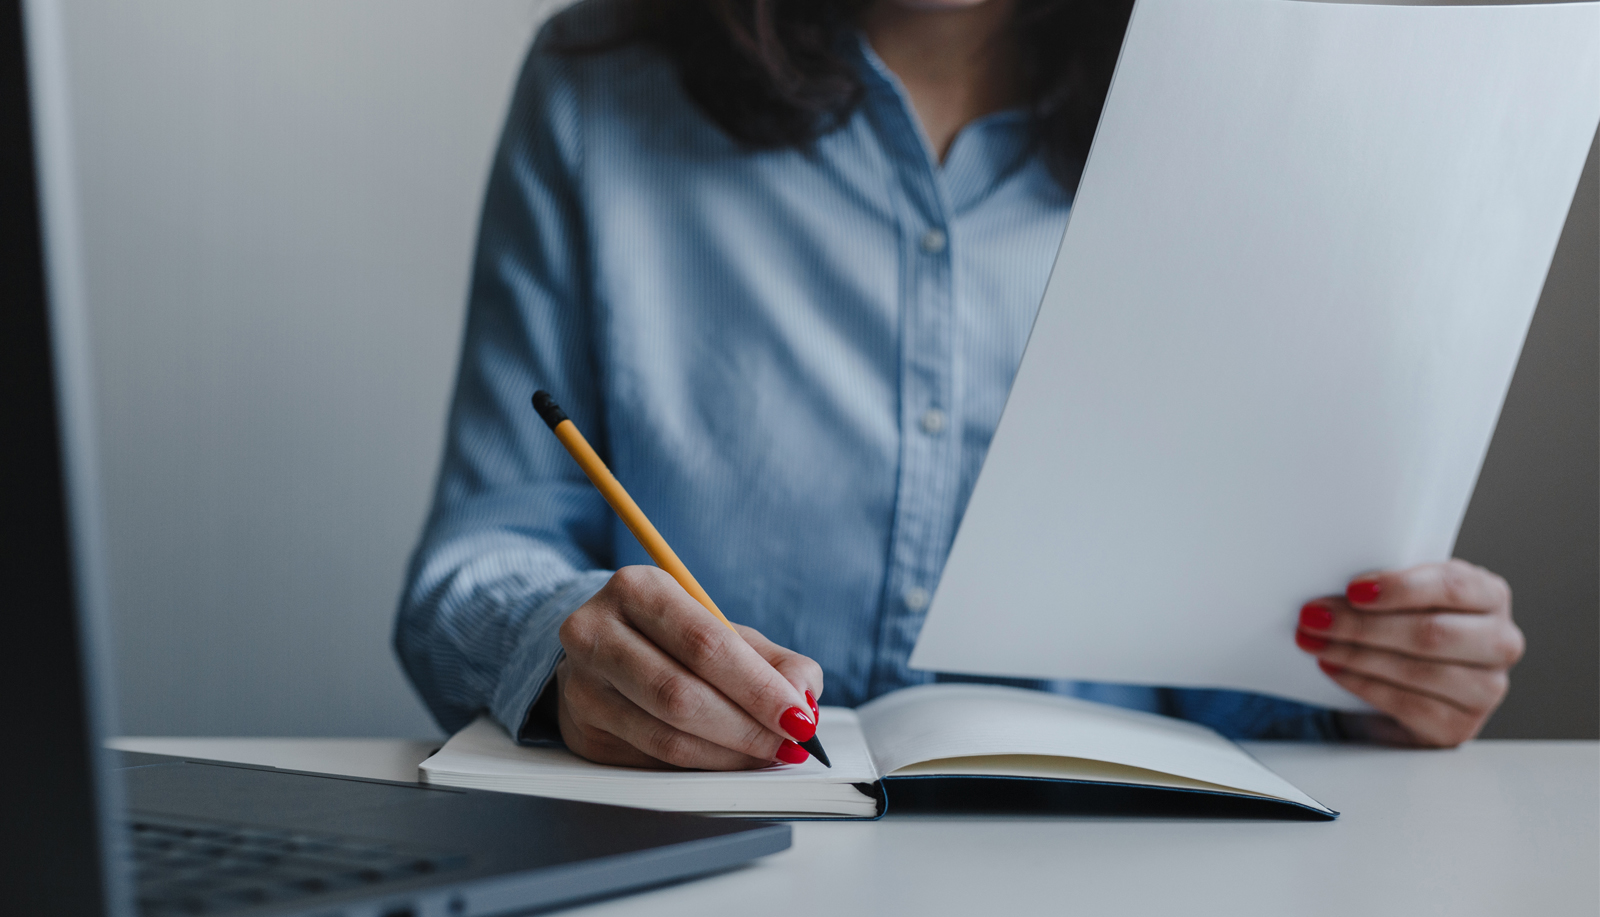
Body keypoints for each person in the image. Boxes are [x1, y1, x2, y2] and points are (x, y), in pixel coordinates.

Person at [394, 0, 1527, 770]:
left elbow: (1240, 673)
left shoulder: (1256, 112)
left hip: (1131, 905)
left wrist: (1373, 683)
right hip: (700, 876)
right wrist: (569, 654)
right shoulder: (598, 88)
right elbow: (475, 563)